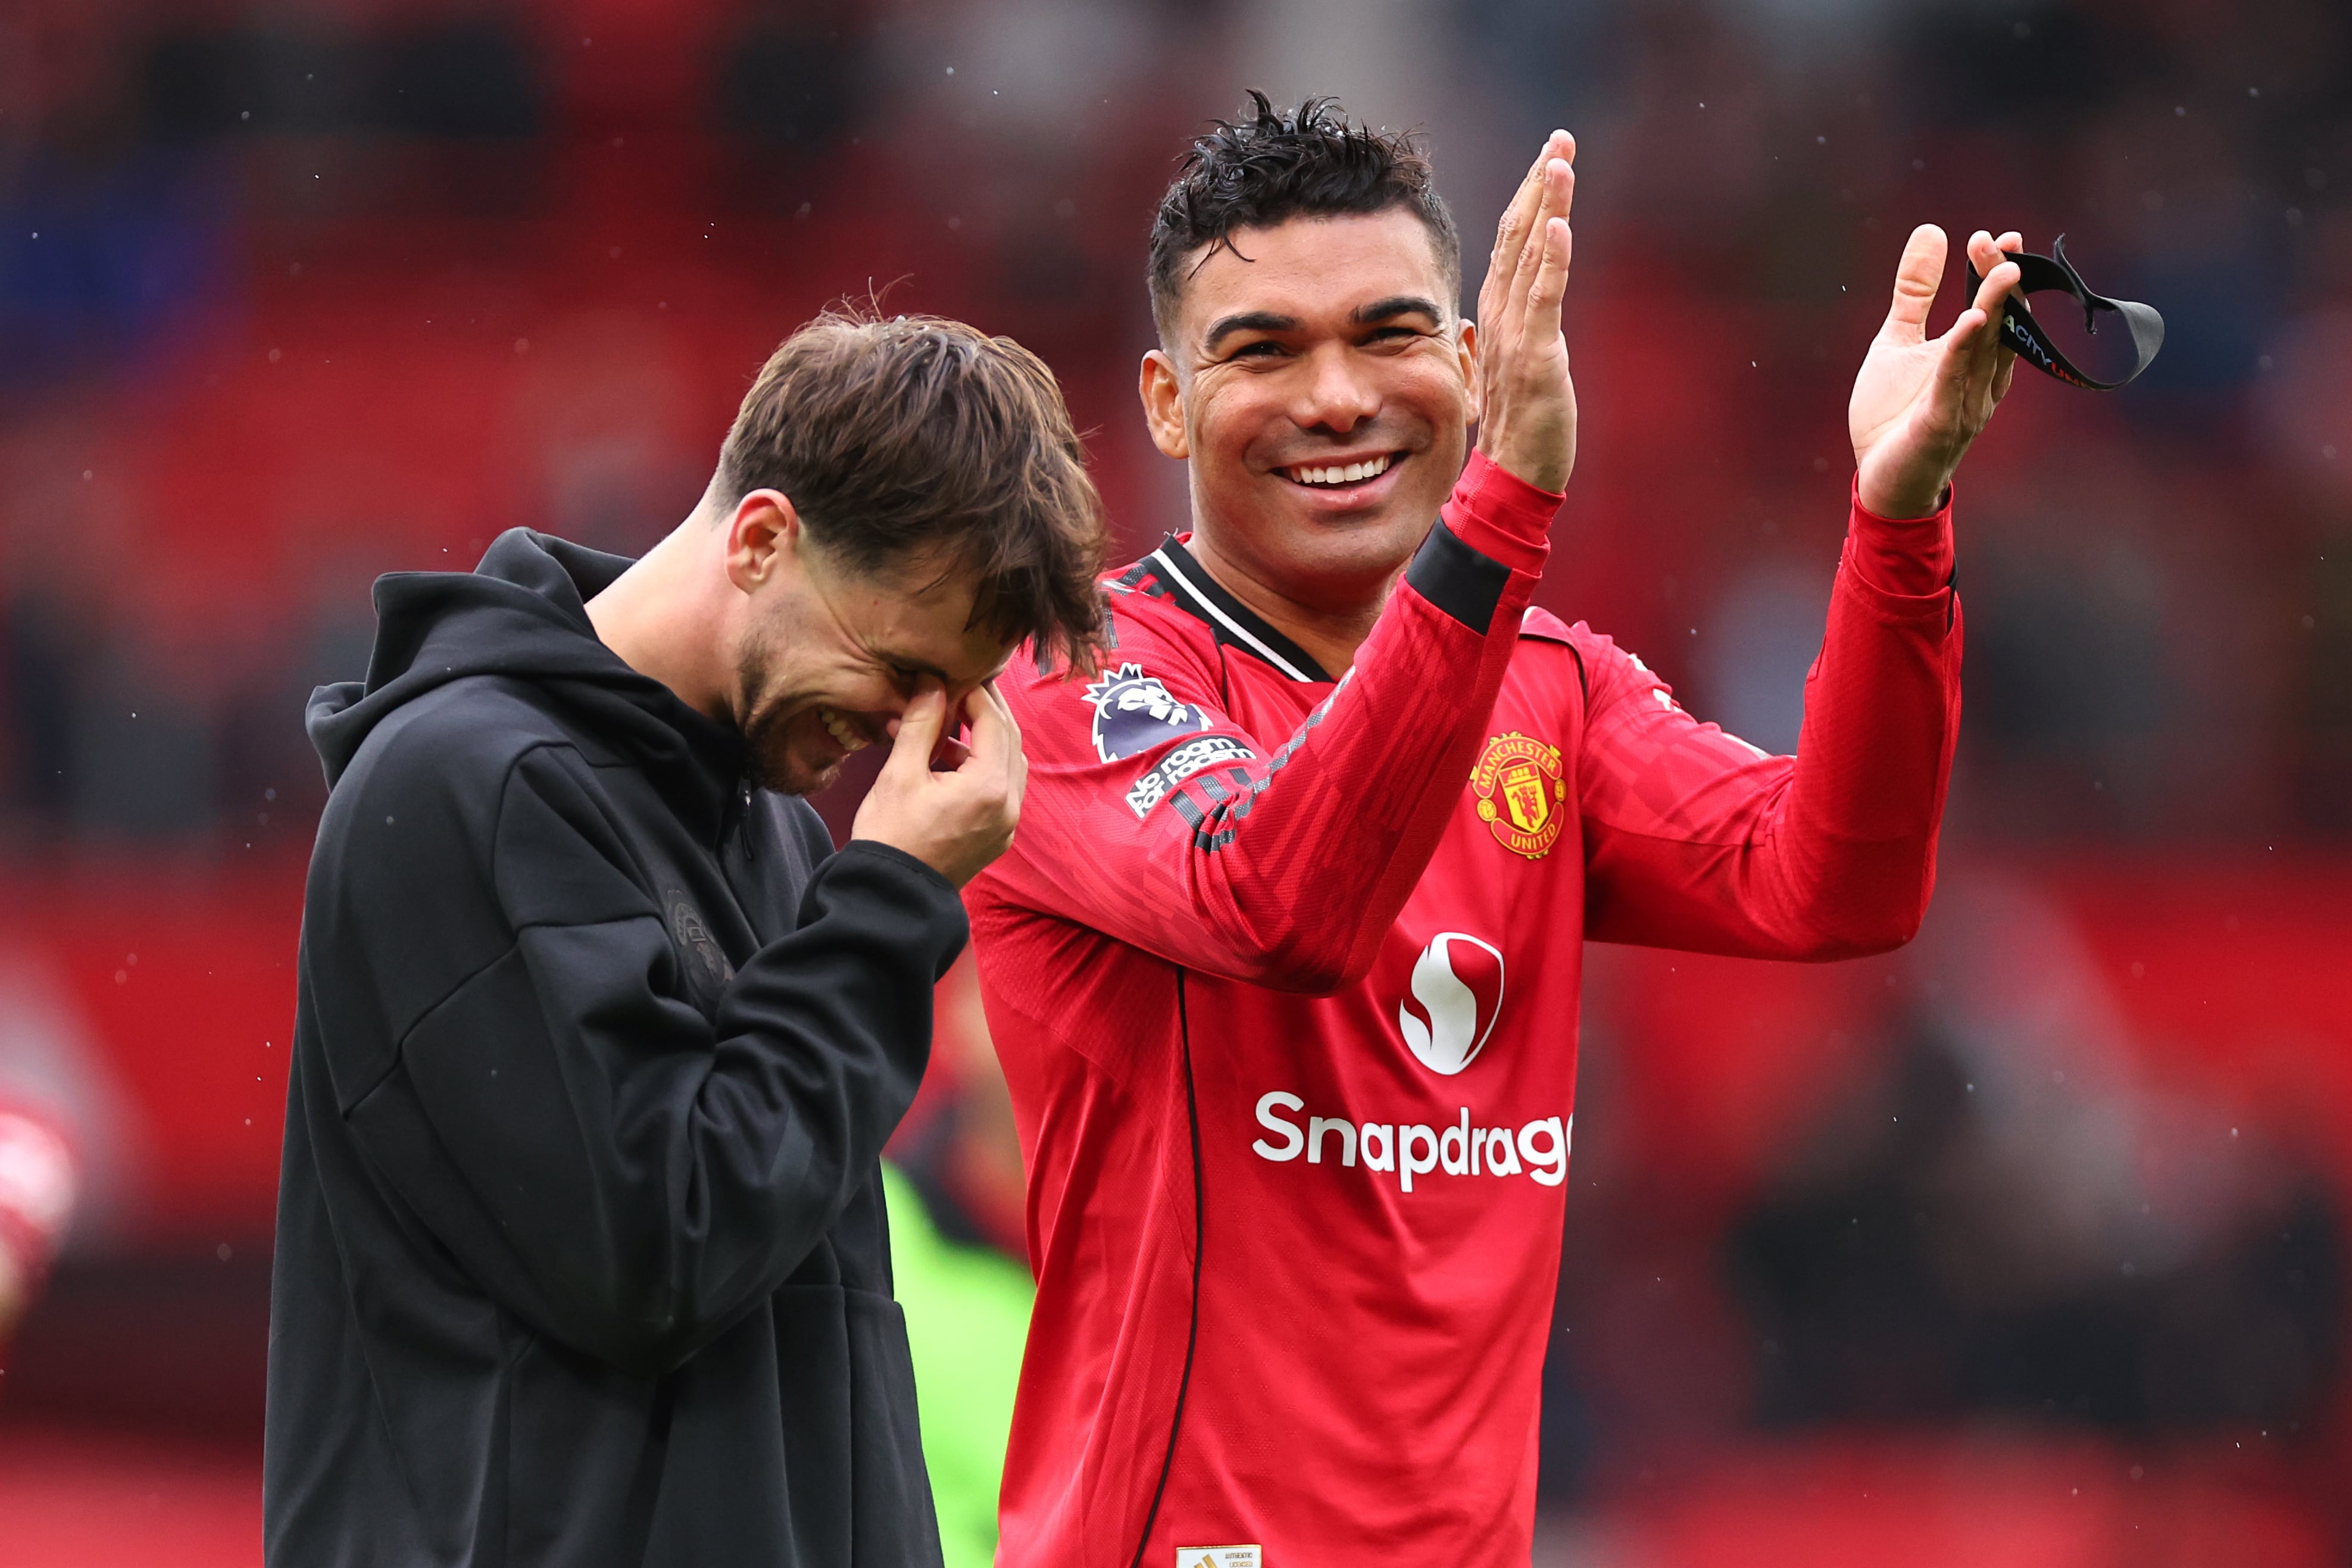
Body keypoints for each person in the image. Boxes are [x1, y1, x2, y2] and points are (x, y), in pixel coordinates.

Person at [965, 96, 2022, 1564]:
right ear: (1160, 402)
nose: (1336, 398)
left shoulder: (1549, 695)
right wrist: (1504, 507)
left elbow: (1832, 884)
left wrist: (1895, 520)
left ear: (1468, 362)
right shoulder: (1074, 679)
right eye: (1262, 350)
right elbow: (1278, 905)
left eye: (1389, 334)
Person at [266, 311, 1107, 1568]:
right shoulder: (469, 787)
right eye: (895, 666)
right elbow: (660, 1252)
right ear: (762, 540)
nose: (896, 731)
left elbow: (813, 1360)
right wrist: (886, 907)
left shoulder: (775, 840)